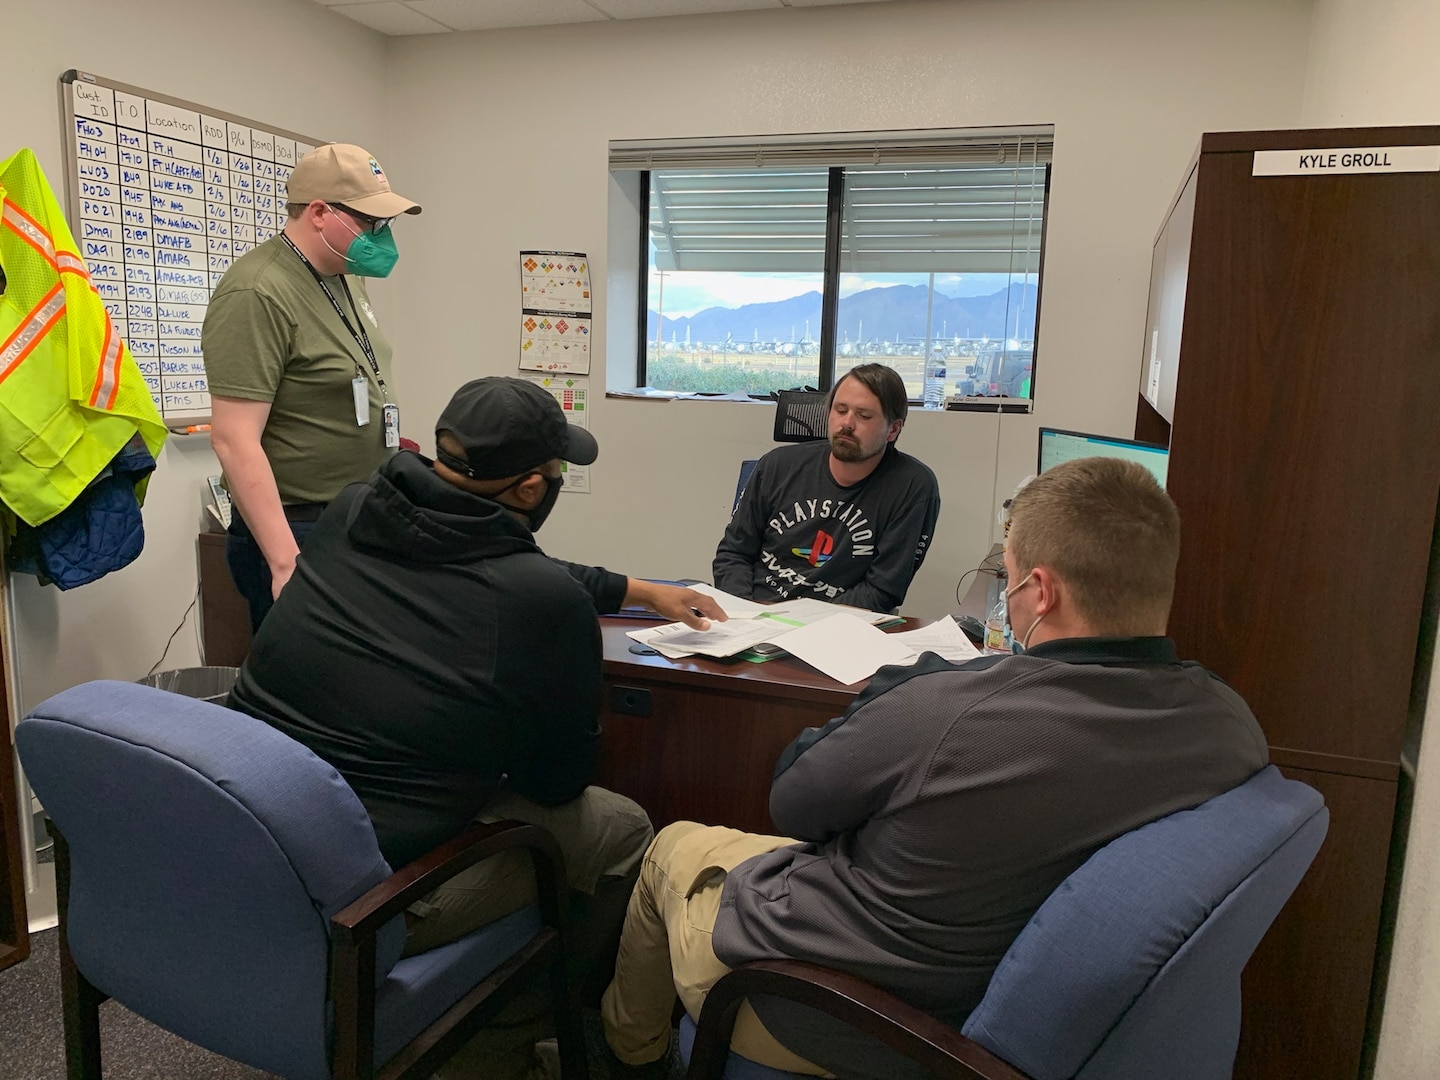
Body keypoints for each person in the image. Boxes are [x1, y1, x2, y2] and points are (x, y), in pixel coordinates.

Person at [601, 457, 1270, 1078]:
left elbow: (796, 805)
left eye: (1006, 577)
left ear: (1039, 593)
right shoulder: (1229, 725)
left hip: (835, 1011)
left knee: (668, 847)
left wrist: (902, 691)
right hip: (988, 980)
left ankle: (632, 1057)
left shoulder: (950, 709)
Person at [229, 377, 727, 989]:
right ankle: (543, 1017)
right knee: (621, 826)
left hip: (254, 845)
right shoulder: (539, 603)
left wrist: (635, 590)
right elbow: (556, 782)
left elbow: (482, 556)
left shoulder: (355, 509)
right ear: (529, 488)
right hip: (376, 901)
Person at [203, 142, 421, 631]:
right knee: (308, 691)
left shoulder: (342, 275)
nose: (380, 236)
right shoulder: (257, 291)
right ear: (320, 213)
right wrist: (285, 563)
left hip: (358, 513)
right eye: (370, 222)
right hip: (300, 526)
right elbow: (233, 439)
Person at [712, 363, 940, 613]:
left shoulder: (913, 487)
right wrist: (745, 613)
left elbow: (883, 590)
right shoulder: (777, 465)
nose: (847, 423)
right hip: (757, 613)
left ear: (893, 429)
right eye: (840, 410)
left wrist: (805, 624)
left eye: (864, 416)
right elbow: (733, 554)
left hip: (838, 627)